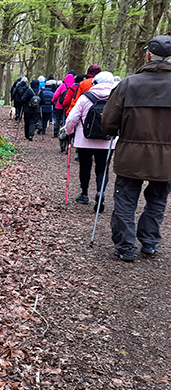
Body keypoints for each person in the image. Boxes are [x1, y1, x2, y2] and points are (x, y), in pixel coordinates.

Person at [102, 35, 171, 262]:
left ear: (148, 56)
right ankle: (149, 241)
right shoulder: (128, 83)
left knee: (125, 199)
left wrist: (116, 129)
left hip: (131, 156)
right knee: (158, 199)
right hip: (166, 159)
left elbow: (108, 122)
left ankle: (125, 246)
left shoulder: (128, 84)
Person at [63, 71, 117, 210]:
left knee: (85, 166)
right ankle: (100, 192)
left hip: (84, 140)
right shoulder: (116, 98)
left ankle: (84, 194)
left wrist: (69, 132)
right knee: (103, 168)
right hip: (107, 141)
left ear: (95, 83)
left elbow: (72, 118)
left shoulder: (85, 97)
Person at [52, 73, 74, 139]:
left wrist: (53, 100)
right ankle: (65, 132)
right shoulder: (74, 86)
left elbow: (56, 94)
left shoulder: (62, 85)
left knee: (58, 119)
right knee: (67, 119)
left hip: (59, 105)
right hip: (68, 106)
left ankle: (56, 132)